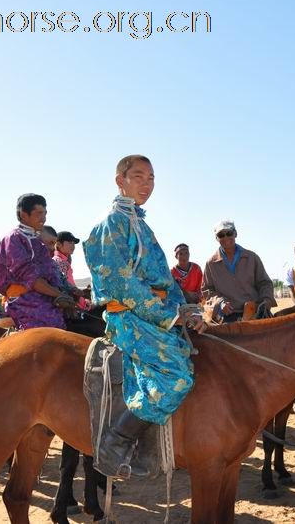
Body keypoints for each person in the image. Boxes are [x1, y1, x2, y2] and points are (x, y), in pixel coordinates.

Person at [83, 154, 204, 478]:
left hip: (153, 312)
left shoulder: (141, 224)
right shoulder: (109, 225)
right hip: (130, 318)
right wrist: (168, 317)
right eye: (139, 176)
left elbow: (165, 280)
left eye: (151, 178)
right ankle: (116, 443)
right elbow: (124, 284)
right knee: (174, 374)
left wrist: (188, 311)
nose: (147, 184)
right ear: (119, 180)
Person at [0, 194, 73, 330]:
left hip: (42, 295)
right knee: (48, 328)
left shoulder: (37, 241)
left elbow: (51, 271)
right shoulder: (13, 239)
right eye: (39, 213)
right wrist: (59, 295)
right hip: (23, 300)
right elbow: (31, 278)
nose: (44, 218)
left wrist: (65, 293)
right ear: (24, 214)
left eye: (45, 213)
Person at [201, 220, 276, 322]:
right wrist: (220, 303)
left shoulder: (251, 257)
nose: (226, 237)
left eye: (229, 233)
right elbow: (208, 291)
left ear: (235, 233)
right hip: (228, 316)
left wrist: (266, 300)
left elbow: (265, 283)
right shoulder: (211, 264)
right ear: (216, 238)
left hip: (255, 312)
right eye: (221, 235)